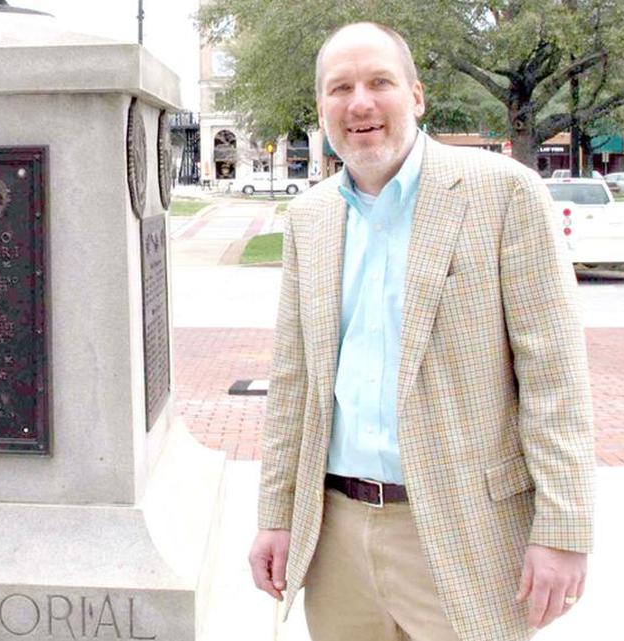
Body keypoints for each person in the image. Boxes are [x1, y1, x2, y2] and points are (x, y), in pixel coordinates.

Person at [250, 22, 594, 641]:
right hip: (335, 540)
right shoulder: (309, 218)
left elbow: (554, 375)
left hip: (463, 533)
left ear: (416, 96)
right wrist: (276, 515)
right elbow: (293, 382)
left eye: (379, 82)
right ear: (323, 105)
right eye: (340, 88)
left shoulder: (504, 193)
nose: (360, 103)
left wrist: (563, 530)